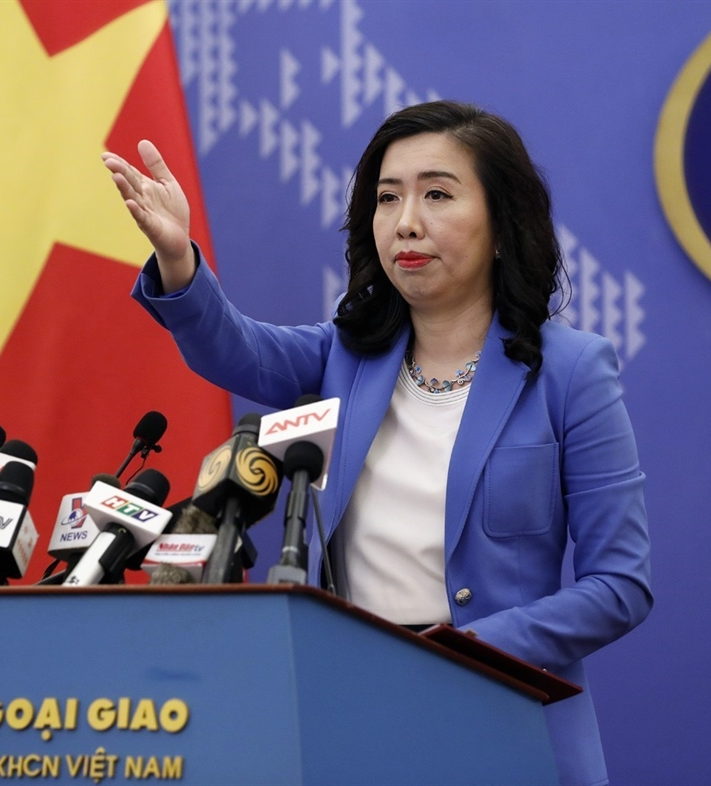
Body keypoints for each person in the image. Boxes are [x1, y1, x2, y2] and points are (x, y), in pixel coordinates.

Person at [102, 100, 651, 786]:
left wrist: (466, 649)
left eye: (437, 195)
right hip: (351, 713)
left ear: (502, 226)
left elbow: (620, 585)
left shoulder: (571, 371)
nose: (406, 221)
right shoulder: (345, 354)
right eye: (388, 198)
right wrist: (177, 258)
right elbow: (236, 350)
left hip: (505, 711)